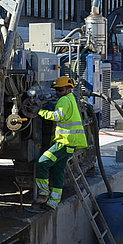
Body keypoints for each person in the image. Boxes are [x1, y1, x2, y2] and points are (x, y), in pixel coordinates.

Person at [34, 76, 88, 211]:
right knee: (58, 171)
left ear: (69, 89)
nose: (57, 92)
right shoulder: (70, 99)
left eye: (60, 89)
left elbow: (57, 116)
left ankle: (44, 193)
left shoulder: (64, 100)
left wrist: (39, 112)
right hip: (71, 143)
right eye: (57, 90)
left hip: (65, 142)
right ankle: (53, 202)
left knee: (42, 162)